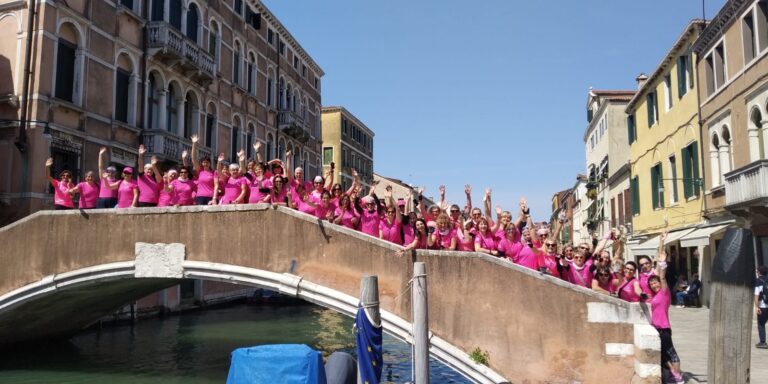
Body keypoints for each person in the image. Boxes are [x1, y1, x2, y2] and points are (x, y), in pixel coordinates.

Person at [648, 250, 684, 384]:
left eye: (655, 283)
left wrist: (662, 262)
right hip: (656, 328)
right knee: (663, 353)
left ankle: (677, 376)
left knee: (670, 352)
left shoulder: (664, 293)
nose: (654, 285)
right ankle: (673, 374)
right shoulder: (655, 296)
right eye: (651, 284)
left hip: (664, 328)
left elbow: (662, 277)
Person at [190, 134, 216, 205]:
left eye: (207, 162)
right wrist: (194, 144)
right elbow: (193, 158)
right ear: (202, 164)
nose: (205, 164)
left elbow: (216, 185)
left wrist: (214, 197)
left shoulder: (214, 173)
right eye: (204, 162)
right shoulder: (200, 171)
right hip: (200, 196)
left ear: (210, 163)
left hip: (210, 196)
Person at [755, 266, 768, 349]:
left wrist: (757, 307)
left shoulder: (758, 281)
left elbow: (757, 295)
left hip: (763, 306)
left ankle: (763, 342)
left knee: (761, 324)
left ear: (759, 272)